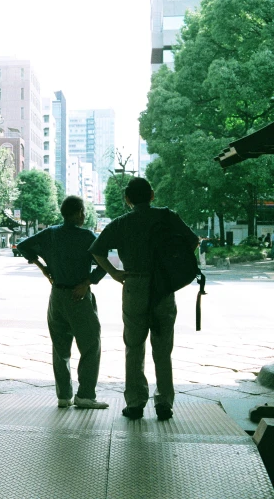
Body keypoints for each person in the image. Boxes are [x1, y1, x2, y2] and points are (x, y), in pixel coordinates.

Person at [89, 178, 198, 421]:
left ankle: (136, 403)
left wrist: (115, 273)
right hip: (163, 285)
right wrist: (172, 265)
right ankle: (164, 403)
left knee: (134, 346)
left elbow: (97, 250)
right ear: (152, 195)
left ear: (127, 199)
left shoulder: (121, 223)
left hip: (134, 284)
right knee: (163, 346)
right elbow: (192, 240)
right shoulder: (167, 216)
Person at [17, 195, 109, 410]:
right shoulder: (87, 237)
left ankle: (64, 396)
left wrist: (44, 269)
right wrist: (88, 282)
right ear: (78, 213)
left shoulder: (50, 234)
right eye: (83, 211)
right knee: (90, 345)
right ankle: (85, 395)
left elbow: (23, 246)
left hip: (56, 296)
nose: (84, 215)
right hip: (79, 296)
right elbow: (104, 262)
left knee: (60, 348)